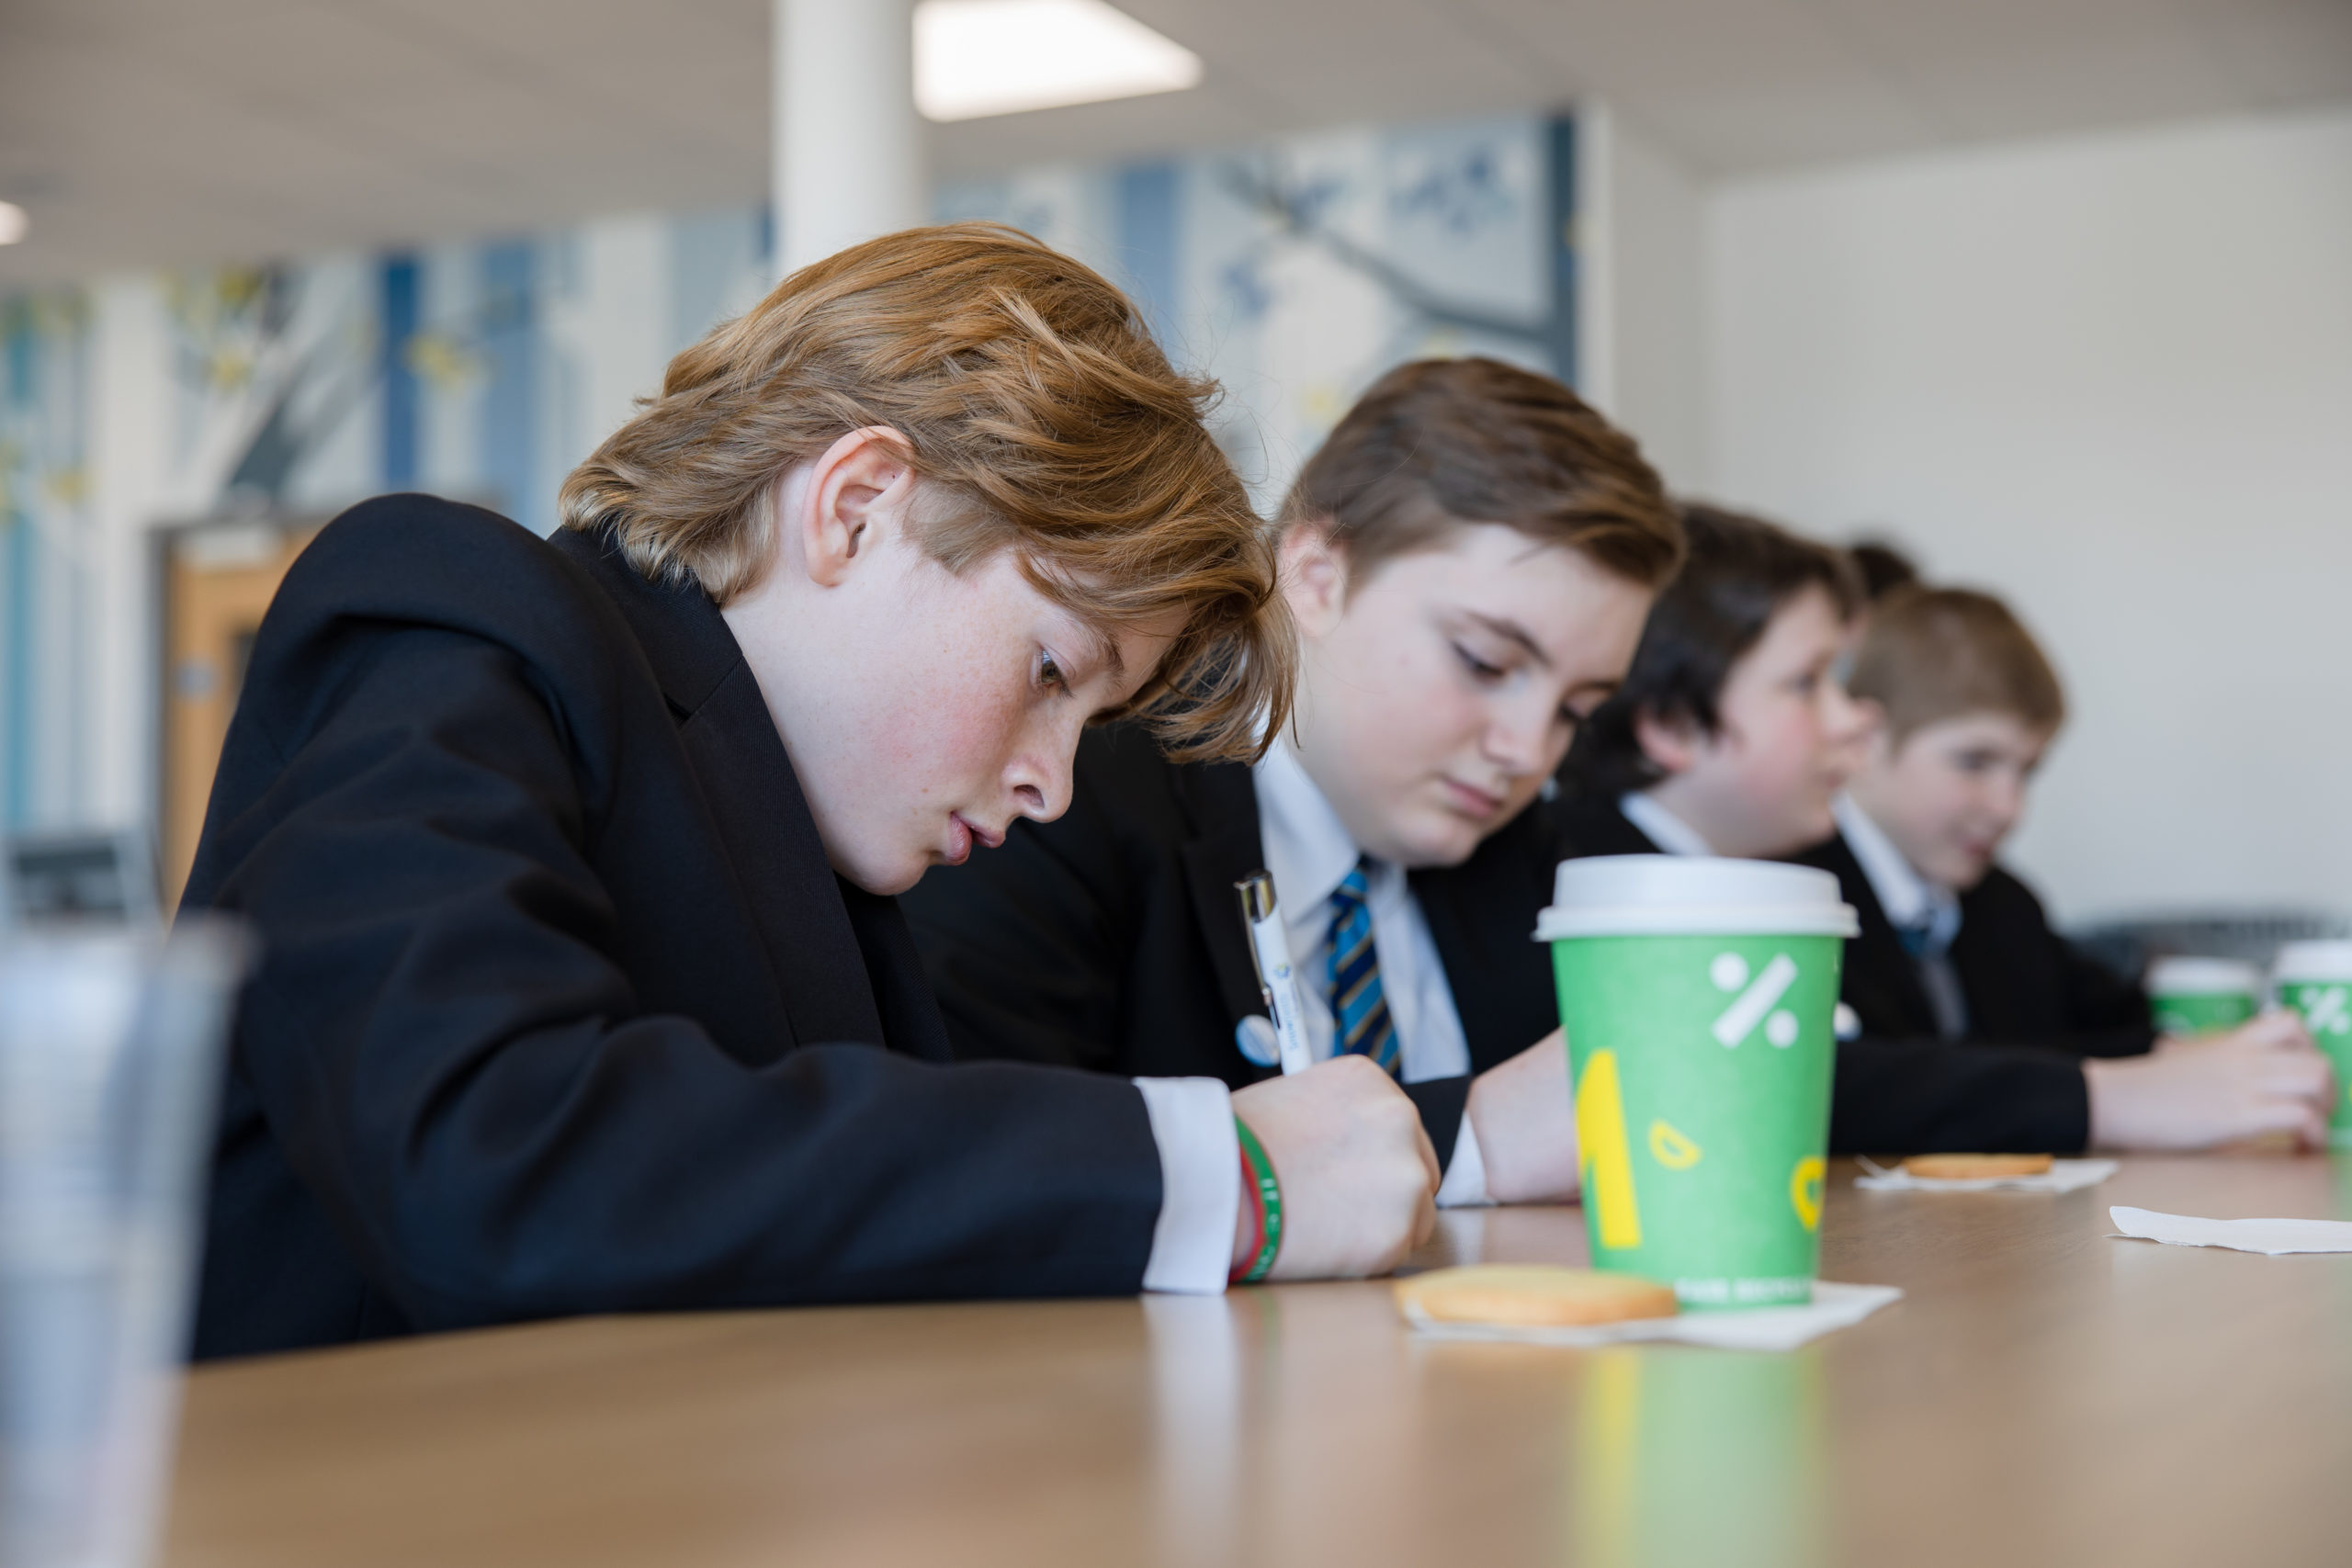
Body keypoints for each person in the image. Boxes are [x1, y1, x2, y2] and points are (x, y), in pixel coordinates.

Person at [183, 225, 1439, 1360]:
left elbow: (923, 1181)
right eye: (1050, 669)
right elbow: (487, 1154)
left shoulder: (828, 851)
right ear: (857, 506)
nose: (1053, 786)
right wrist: (1225, 1171)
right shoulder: (456, 613)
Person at [900, 356, 1683, 1205]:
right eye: (1485, 662)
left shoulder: (1521, 857)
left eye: (1576, 709)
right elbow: (978, 1168)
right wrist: (1474, 1132)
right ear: (1317, 577)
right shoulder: (1068, 794)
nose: (1529, 750)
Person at [1556, 506, 2331, 1152]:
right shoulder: (1563, 877)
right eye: (1808, 682)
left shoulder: (1984, 903)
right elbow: (1813, 1084)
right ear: (1670, 722)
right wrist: (2111, 1096)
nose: (1849, 718)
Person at [1796, 584, 2332, 1148]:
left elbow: (2109, 1025)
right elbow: (1851, 1085)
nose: (2009, 808)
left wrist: (2195, 1056)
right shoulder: (1794, 892)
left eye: (2026, 771)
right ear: (1867, 739)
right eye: (1974, 762)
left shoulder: (2002, 903)